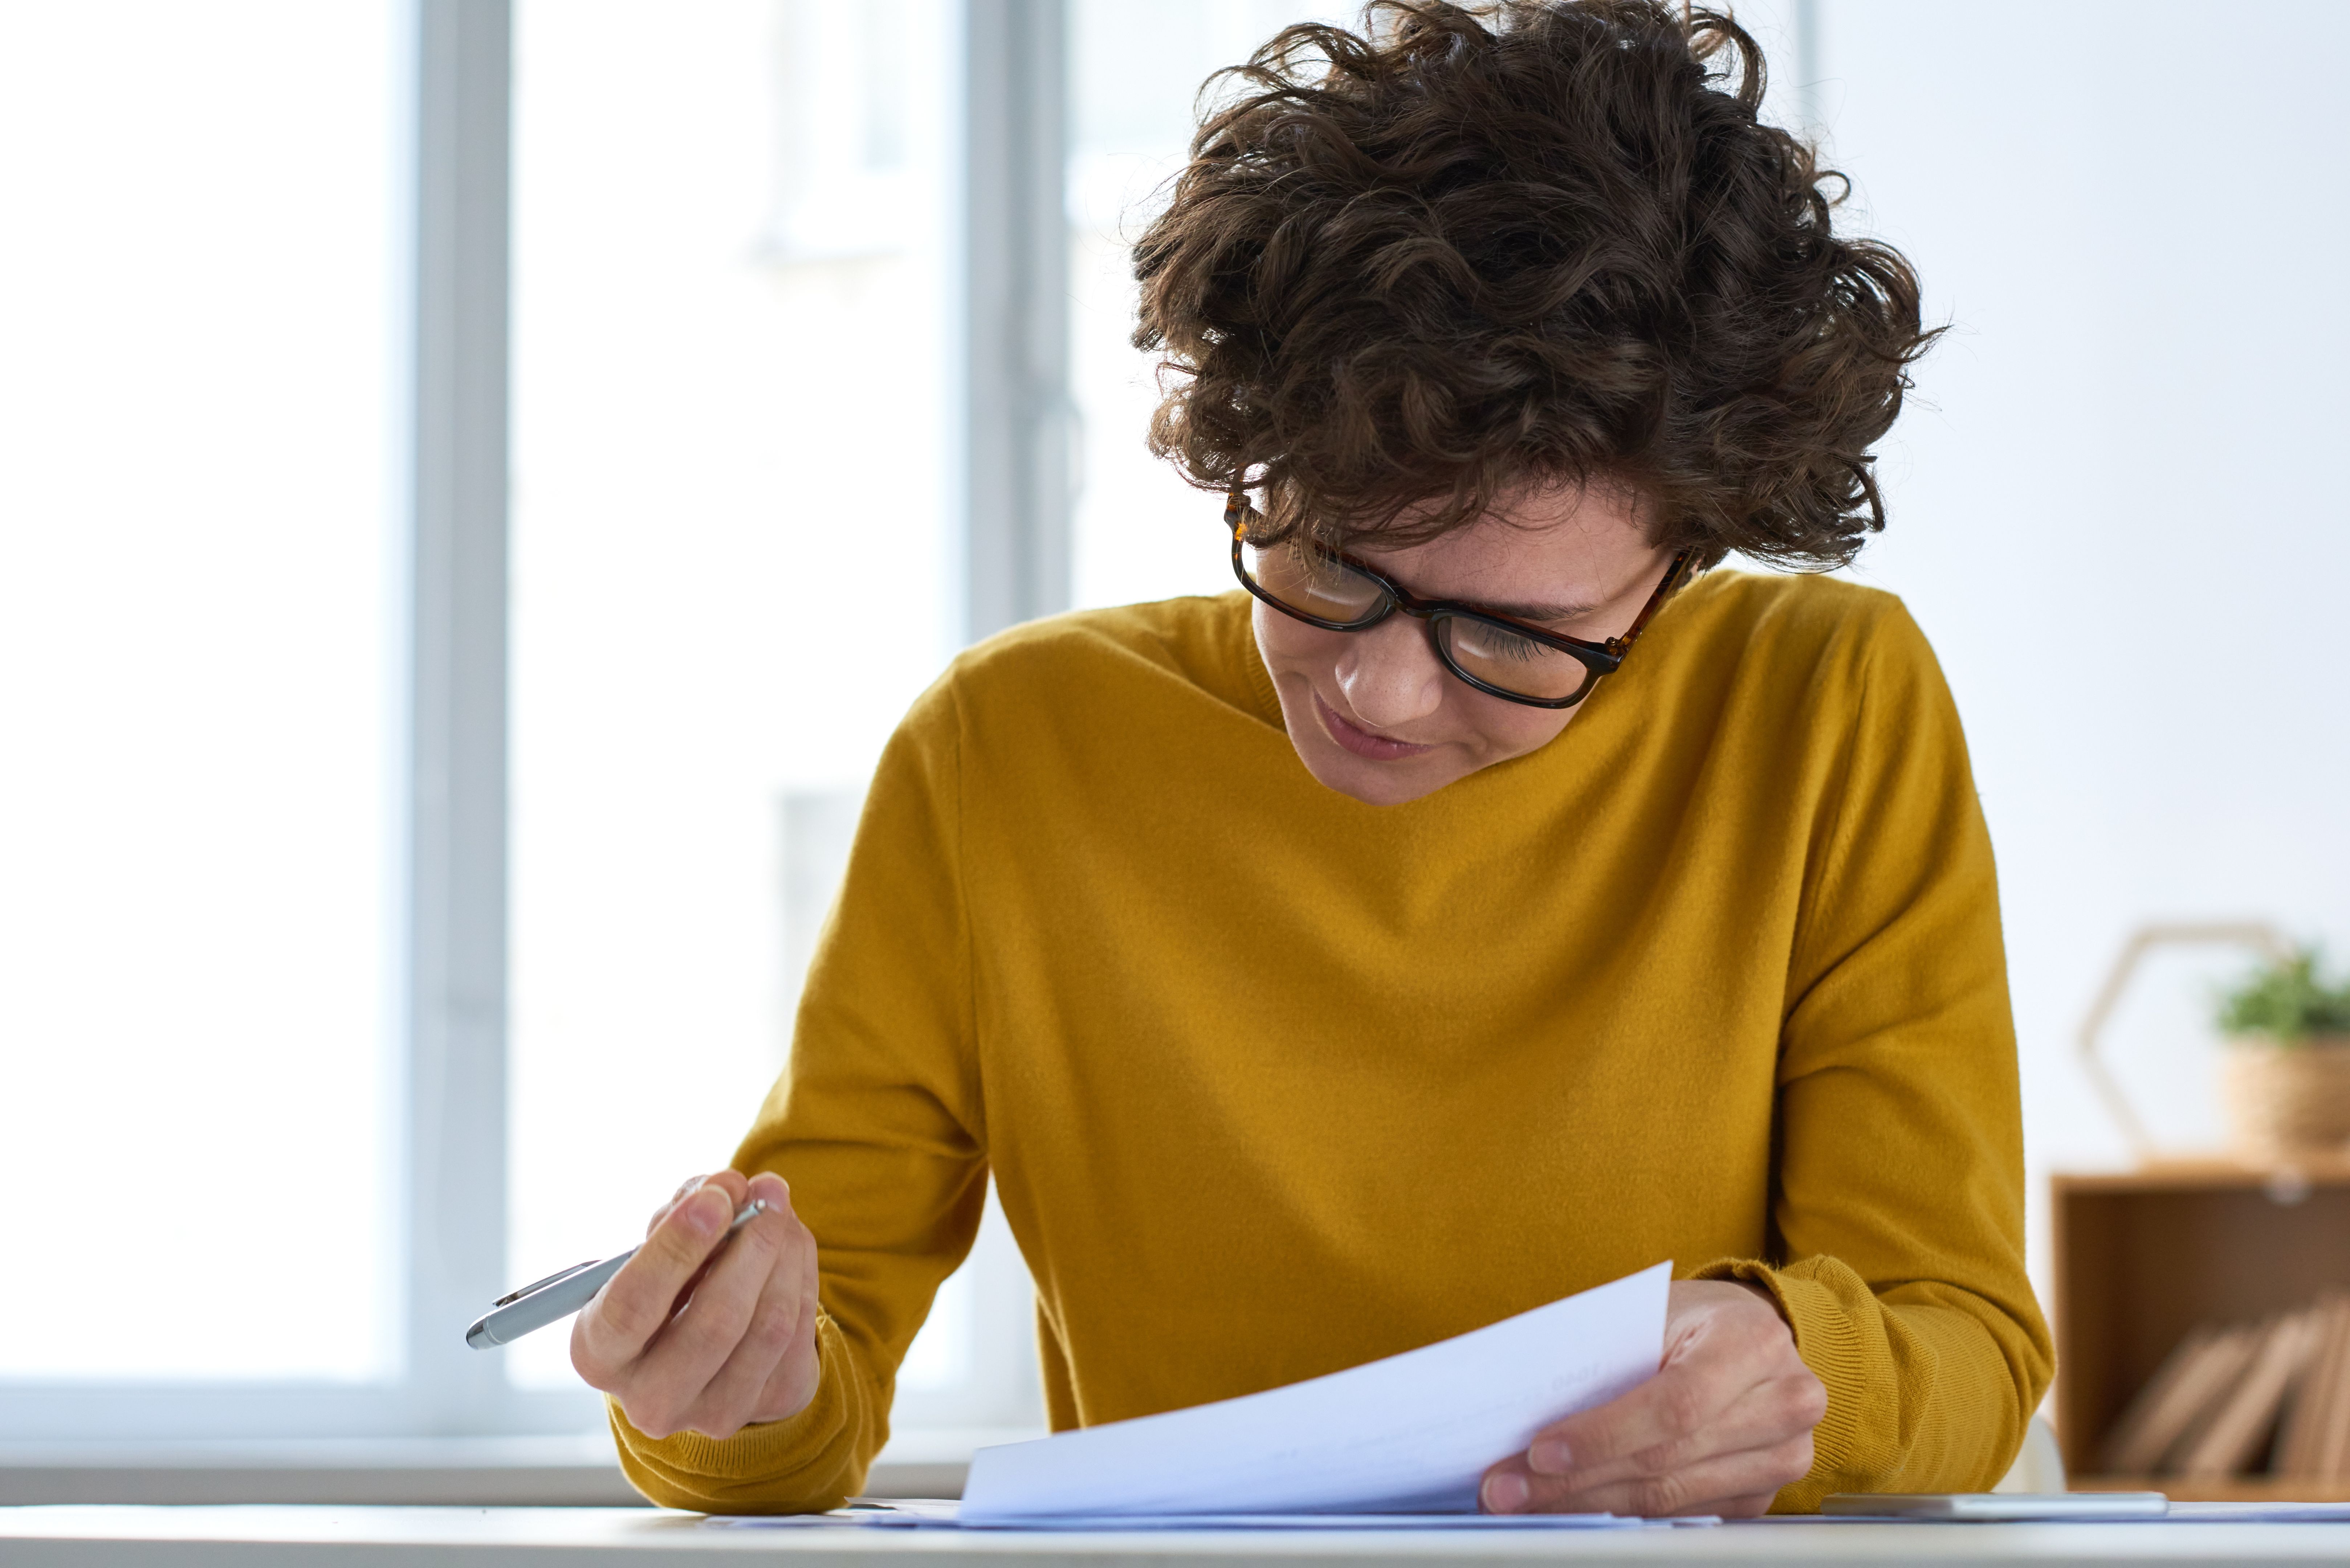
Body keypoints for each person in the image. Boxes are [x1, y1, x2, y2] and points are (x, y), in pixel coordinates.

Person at [570, 0, 2051, 1517]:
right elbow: (795, 1405)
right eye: (1336, 563)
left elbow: (1965, 1347)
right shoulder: (1008, 749)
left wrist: (1802, 1364)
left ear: (1679, 566)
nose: (1381, 690)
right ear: (1246, 447)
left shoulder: (1822, 707)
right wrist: (724, 1384)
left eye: (1509, 636)